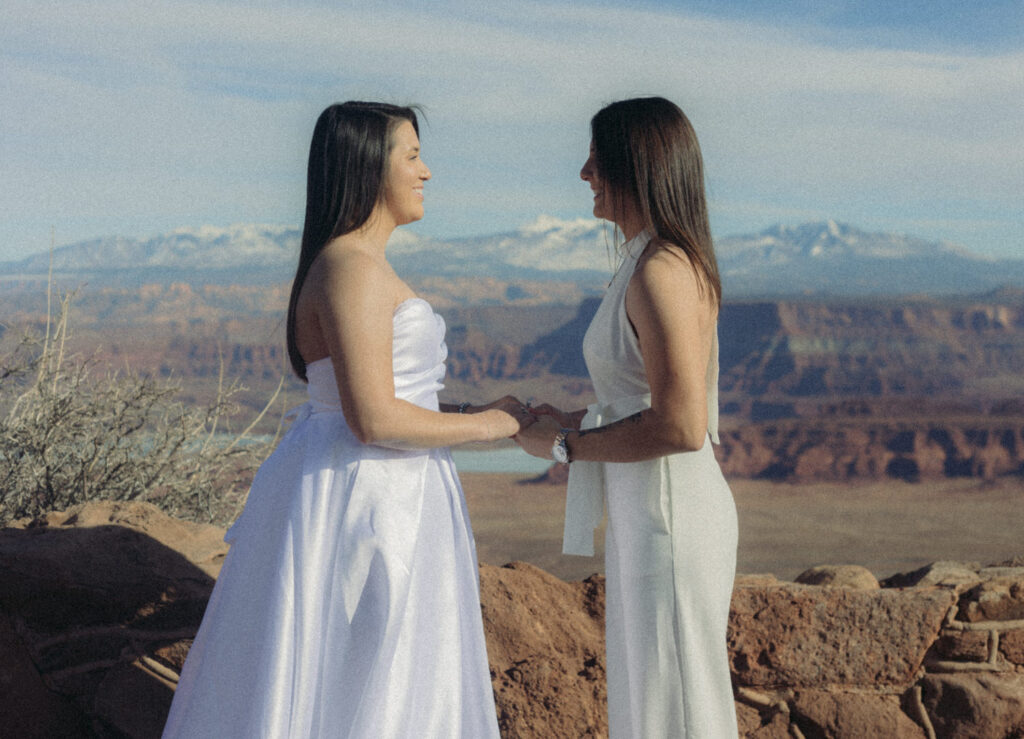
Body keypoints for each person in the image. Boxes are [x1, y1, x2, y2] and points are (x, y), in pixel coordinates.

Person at [163, 101, 530, 738]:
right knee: (366, 672)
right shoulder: (351, 269)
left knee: (384, 672)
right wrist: (493, 428)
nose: (427, 173)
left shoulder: (360, 264)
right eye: (412, 157)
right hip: (367, 498)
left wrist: (480, 410)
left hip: (384, 491)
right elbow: (374, 420)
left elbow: (384, 398)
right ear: (367, 167)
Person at [516, 97, 739, 737]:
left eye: (597, 157)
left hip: (670, 518)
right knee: (658, 700)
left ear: (636, 165)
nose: (585, 172)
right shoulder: (650, 260)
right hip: (652, 512)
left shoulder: (661, 269)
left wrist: (566, 444)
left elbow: (679, 424)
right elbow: (643, 397)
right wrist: (577, 417)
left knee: (676, 705)